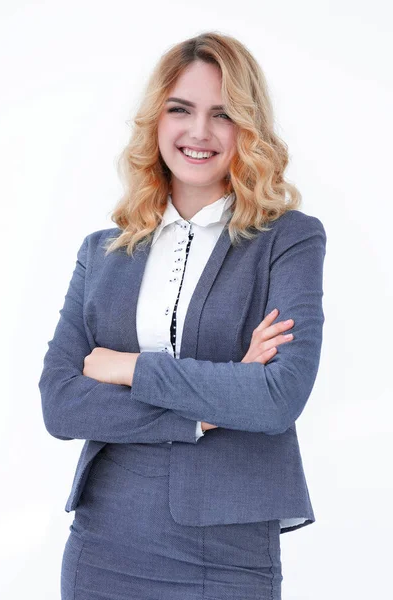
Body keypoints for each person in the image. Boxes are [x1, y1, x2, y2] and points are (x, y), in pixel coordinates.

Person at [39, 31, 327, 600]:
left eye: (223, 114)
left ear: (249, 129)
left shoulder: (288, 240)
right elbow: (60, 402)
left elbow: (277, 397)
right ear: (156, 121)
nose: (199, 132)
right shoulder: (101, 251)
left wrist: (128, 367)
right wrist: (207, 411)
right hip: (105, 540)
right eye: (181, 110)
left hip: (228, 550)